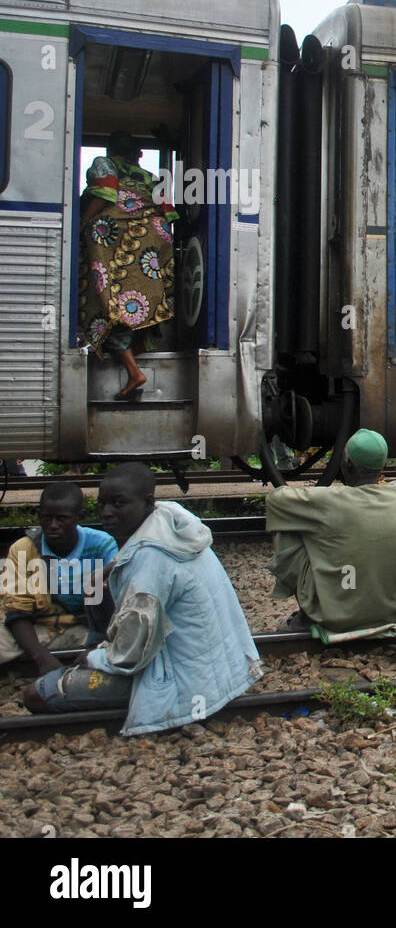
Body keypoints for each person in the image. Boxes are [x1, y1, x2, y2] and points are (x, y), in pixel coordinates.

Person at [24, 464, 260, 735]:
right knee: (97, 602)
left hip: (184, 681)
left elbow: (130, 655)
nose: (106, 513)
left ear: (148, 503)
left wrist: (93, 659)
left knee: (38, 693)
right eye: (102, 504)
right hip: (217, 669)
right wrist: (114, 567)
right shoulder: (172, 525)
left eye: (118, 503)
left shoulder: (150, 560)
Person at [265, 429, 396, 633]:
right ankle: (374, 604)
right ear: (381, 467)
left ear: (346, 465)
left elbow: (275, 500)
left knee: (288, 524)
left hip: (333, 616)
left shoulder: (328, 500)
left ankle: (310, 612)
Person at [78, 131, 179, 400]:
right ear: (138, 155)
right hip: (154, 242)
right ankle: (133, 359)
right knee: (137, 303)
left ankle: (135, 372)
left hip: (118, 238)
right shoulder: (149, 177)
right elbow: (168, 212)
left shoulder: (105, 163)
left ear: (111, 150)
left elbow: (106, 192)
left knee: (107, 303)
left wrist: (84, 222)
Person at [0, 484, 117, 672]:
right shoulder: (23, 549)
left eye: (62, 519)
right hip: (35, 627)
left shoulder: (102, 545)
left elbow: (116, 601)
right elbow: (17, 611)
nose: (53, 525)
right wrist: (40, 657)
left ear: (79, 517)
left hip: (84, 629)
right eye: (47, 518)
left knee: (118, 644)